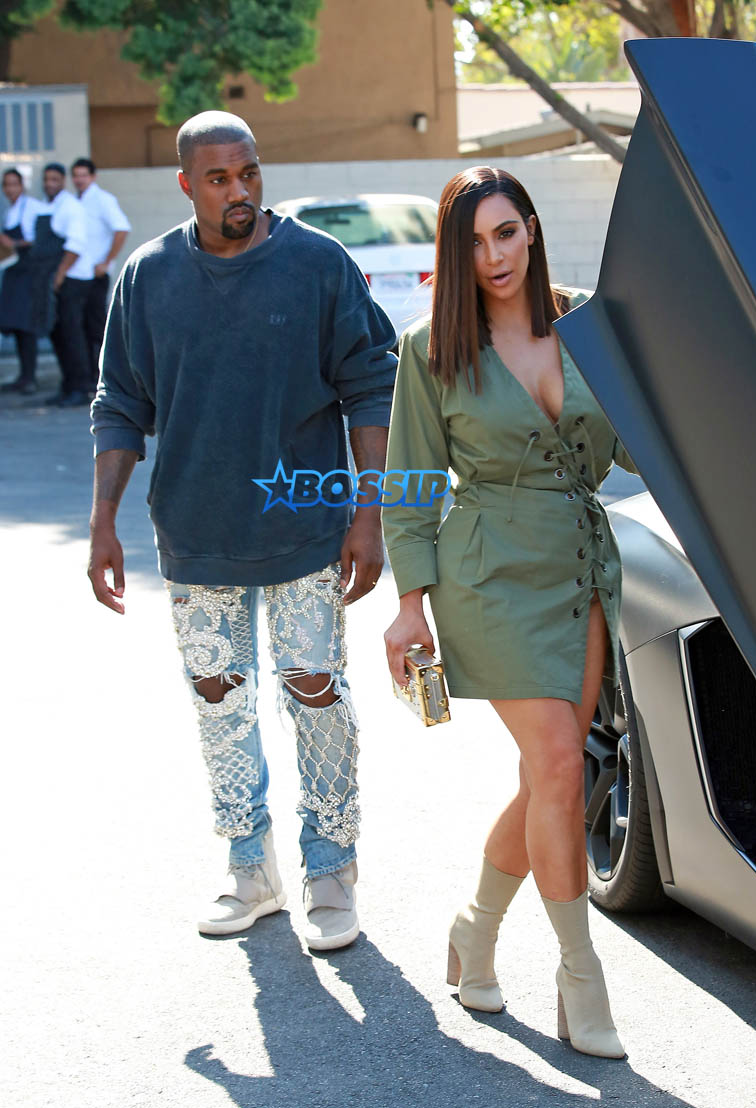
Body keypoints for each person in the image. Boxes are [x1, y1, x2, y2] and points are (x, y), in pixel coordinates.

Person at [88, 111, 396, 950]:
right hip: (196, 533)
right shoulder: (148, 275)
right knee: (219, 702)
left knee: (315, 693)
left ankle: (330, 867)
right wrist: (103, 519)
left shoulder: (317, 263)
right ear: (187, 184)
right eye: (219, 179)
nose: (239, 192)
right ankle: (249, 867)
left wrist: (369, 515)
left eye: (249, 173)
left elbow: (370, 385)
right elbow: (121, 401)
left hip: (305, 529)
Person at [383, 167, 637, 1058]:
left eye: (504, 232)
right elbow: (411, 483)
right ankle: (580, 977)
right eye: (473, 242)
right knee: (561, 763)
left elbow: (638, 440)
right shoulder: (431, 348)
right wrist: (408, 606)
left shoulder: (589, 324)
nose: (492, 256)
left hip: (579, 569)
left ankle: (474, 928)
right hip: (488, 575)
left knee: (547, 781)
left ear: (531, 229)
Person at [71, 157, 131, 384]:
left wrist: (106, 262)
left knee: (98, 328)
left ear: (93, 177)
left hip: (96, 275)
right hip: (81, 275)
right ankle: (92, 377)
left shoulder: (103, 199)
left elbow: (122, 229)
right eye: (76, 175)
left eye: (83, 175)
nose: (79, 179)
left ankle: (112, 377)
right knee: (84, 327)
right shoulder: (77, 200)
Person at [42, 162, 94, 407]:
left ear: (63, 181)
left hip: (73, 279)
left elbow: (76, 245)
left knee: (73, 334)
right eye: (46, 180)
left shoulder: (71, 207)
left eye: (54, 179)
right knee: (59, 334)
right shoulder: (51, 205)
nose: (49, 184)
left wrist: (60, 274)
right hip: (58, 279)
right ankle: (68, 386)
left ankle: (81, 388)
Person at [0, 168, 50, 394]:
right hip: (13, 271)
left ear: (22, 186)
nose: (10, 189)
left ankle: (30, 377)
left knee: (26, 325)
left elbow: (38, 240)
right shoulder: (10, 211)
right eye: (6, 185)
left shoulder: (32, 207)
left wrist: (12, 243)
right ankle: (23, 376)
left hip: (29, 273)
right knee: (16, 325)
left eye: (14, 184)